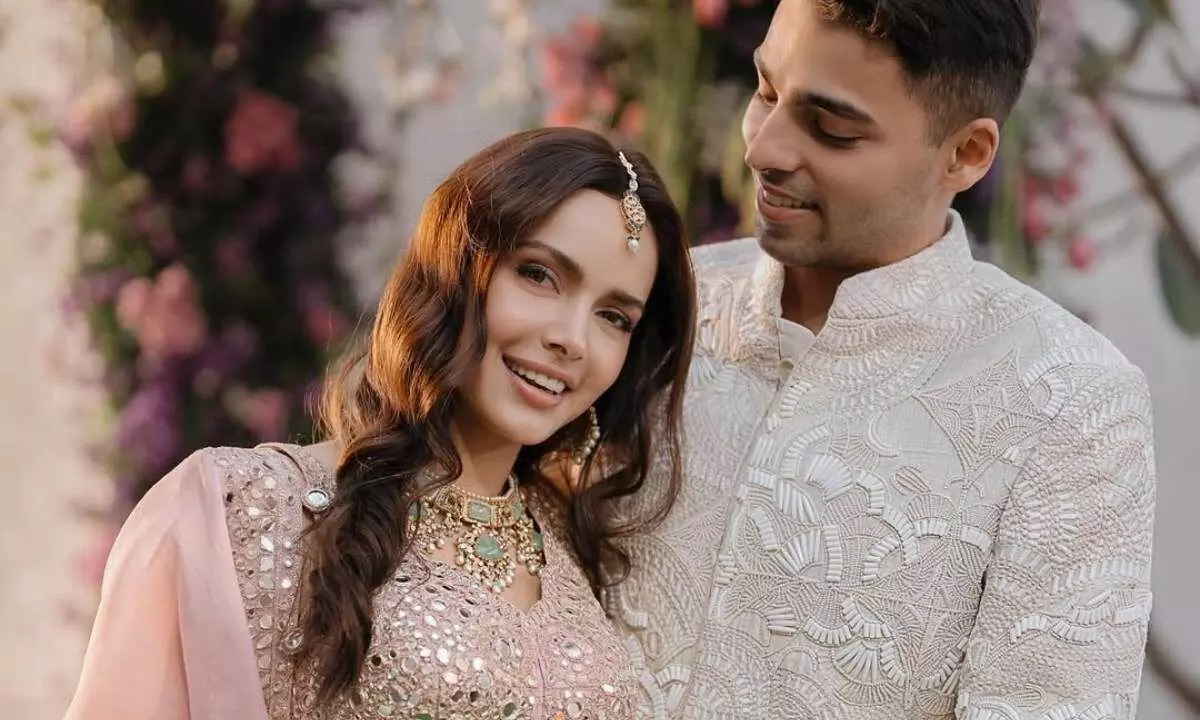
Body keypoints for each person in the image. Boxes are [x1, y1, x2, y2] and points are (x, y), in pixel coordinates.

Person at [605, 1, 1157, 718]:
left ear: (967, 153)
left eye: (831, 129)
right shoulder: (654, 301)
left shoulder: (1068, 401)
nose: (763, 149)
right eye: (765, 91)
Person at [64, 126, 697, 719]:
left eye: (614, 317)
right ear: (457, 268)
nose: (572, 339)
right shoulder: (239, 506)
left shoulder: (571, 544)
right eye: (539, 275)